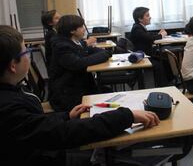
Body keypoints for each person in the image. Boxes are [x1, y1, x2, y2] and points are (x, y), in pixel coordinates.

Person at [0, 25, 160, 165]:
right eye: (26, 52)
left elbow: (39, 126)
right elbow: (62, 133)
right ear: (13, 65)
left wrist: (66, 116)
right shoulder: (8, 107)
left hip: (41, 150)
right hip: (46, 155)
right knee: (113, 156)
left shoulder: (12, 92)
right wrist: (126, 116)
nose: (28, 55)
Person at [48, 15, 110, 112]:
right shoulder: (62, 46)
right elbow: (79, 63)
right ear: (72, 31)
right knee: (105, 95)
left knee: (106, 91)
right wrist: (104, 54)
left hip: (77, 86)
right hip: (67, 94)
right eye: (81, 27)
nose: (84, 30)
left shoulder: (74, 42)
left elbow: (93, 51)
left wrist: (104, 53)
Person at [129, 7, 169, 86]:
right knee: (159, 65)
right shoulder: (137, 28)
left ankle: (168, 83)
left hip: (146, 54)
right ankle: (163, 86)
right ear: (140, 19)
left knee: (165, 59)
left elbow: (147, 36)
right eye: (147, 15)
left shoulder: (139, 27)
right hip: (143, 57)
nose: (150, 17)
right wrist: (161, 35)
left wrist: (158, 34)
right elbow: (149, 38)